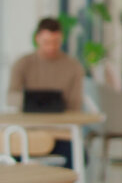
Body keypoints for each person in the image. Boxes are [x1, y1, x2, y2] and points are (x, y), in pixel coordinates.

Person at [7, 17, 85, 168]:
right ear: (37, 39)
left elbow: (75, 106)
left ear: (61, 39)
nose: (51, 47)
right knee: (10, 157)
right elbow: (10, 97)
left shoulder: (73, 67)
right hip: (28, 133)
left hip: (60, 133)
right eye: (46, 42)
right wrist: (33, 101)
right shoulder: (23, 63)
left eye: (55, 42)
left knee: (79, 157)